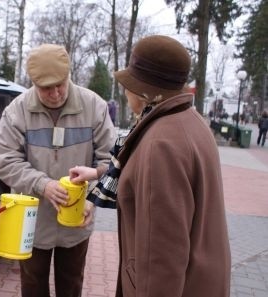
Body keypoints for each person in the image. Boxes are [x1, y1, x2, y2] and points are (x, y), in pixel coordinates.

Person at [69, 35, 231, 297]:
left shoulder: (160, 144)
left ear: (145, 91)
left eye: (128, 84)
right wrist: (98, 173)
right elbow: (151, 182)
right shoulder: (189, 122)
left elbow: (162, 255)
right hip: (202, 278)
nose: (125, 91)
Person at [0, 44, 116, 297]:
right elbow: (4, 160)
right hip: (30, 221)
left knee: (71, 283)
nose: (56, 93)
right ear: (33, 82)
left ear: (69, 74)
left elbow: (112, 160)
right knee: (32, 283)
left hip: (77, 220)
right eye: (46, 88)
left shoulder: (95, 106)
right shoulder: (17, 111)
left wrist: (92, 198)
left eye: (60, 83)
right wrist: (43, 184)